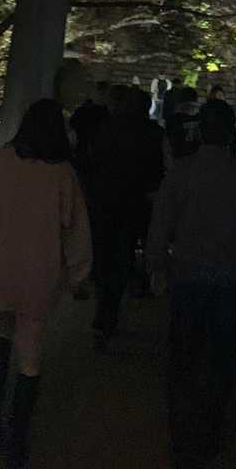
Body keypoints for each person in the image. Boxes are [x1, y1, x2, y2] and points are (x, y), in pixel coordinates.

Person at [147, 98, 236, 469]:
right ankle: (210, 434)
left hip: (187, 276)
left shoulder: (181, 174)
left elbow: (160, 226)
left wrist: (156, 267)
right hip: (230, 281)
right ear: (231, 133)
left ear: (200, 131)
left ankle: (181, 437)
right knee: (220, 360)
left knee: (183, 359)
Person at [0, 99, 92, 468]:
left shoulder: (2, 160)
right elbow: (76, 231)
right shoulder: (62, 173)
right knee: (30, 354)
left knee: (1, 330)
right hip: (39, 271)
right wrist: (78, 274)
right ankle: (17, 440)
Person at [89, 85, 164, 349]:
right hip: (134, 204)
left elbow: (93, 163)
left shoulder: (106, 128)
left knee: (104, 256)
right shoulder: (153, 133)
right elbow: (157, 172)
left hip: (104, 202)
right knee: (122, 257)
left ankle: (103, 310)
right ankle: (109, 313)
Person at [165, 85, 202, 166]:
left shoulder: (173, 119)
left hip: (178, 160)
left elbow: (168, 144)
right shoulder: (202, 118)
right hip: (198, 161)